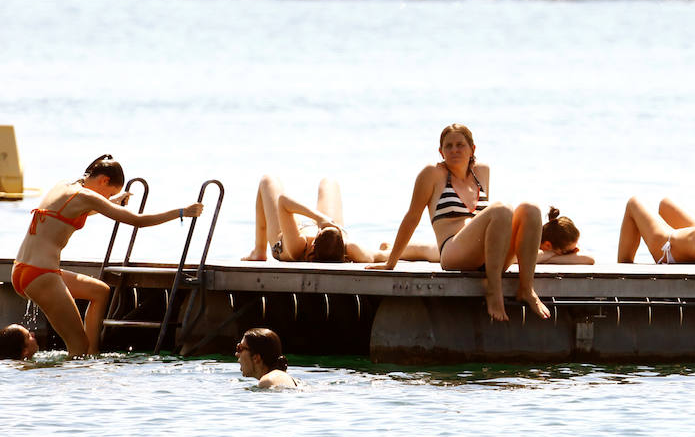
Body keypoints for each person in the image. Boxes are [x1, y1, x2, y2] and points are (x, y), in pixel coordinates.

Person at [11, 154, 205, 356]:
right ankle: (79, 365)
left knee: (100, 291)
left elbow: (80, 207)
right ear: (104, 180)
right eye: (109, 193)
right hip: (41, 274)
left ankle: (93, 354)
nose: (105, 199)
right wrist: (182, 212)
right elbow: (137, 220)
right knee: (77, 346)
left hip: (23, 269)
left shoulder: (65, 187)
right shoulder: (87, 197)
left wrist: (110, 201)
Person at [367, 124, 550, 322]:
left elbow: (496, 223)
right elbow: (412, 217)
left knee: (531, 209)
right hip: (454, 251)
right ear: (441, 151)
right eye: (449, 146)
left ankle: (526, 288)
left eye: (460, 145)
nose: (454, 150)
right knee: (502, 208)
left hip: (489, 255)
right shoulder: (432, 174)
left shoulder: (481, 172)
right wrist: (391, 262)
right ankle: (493, 291)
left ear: (473, 149)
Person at [242, 174, 432, 264]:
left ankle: (258, 251)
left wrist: (321, 218)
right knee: (329, 182)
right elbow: (412, 251)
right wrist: (440, 252)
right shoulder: (353, 250)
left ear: (315, 241)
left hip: (284, 237)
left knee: (267, 181)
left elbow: (283, 202)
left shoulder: (297, 247)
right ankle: (386, 243)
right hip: (326, 232)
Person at [236, 328, 301, 389]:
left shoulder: (267, 381)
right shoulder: (284, 377)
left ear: (255, 358)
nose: (237, 354)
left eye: (240, 348)